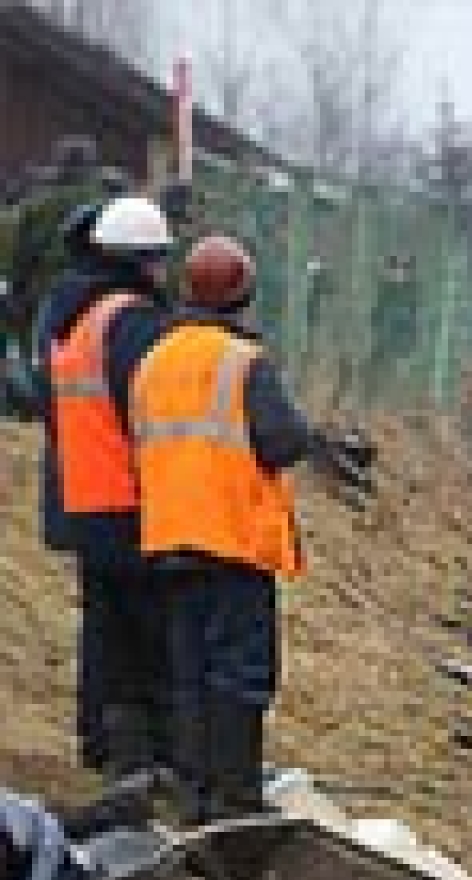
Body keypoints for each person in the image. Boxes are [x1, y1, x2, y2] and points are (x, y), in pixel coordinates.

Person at [131, 234, 317, 822]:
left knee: (188, 672)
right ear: (244, 294)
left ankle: (196, 794)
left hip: (169, 536)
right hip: (234, 538)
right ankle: (236, 799)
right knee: (239, 675)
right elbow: (283, 441)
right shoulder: (244, 362)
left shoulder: (153, 361)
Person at [35, 195, 175, 779]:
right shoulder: (129, 319)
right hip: (129, 496)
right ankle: (147, 753)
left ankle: (101, 742)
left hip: (83, 495)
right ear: (144, 260)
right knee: (148, 634)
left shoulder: (68, 316)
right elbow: (150, 408)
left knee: (104, 628)